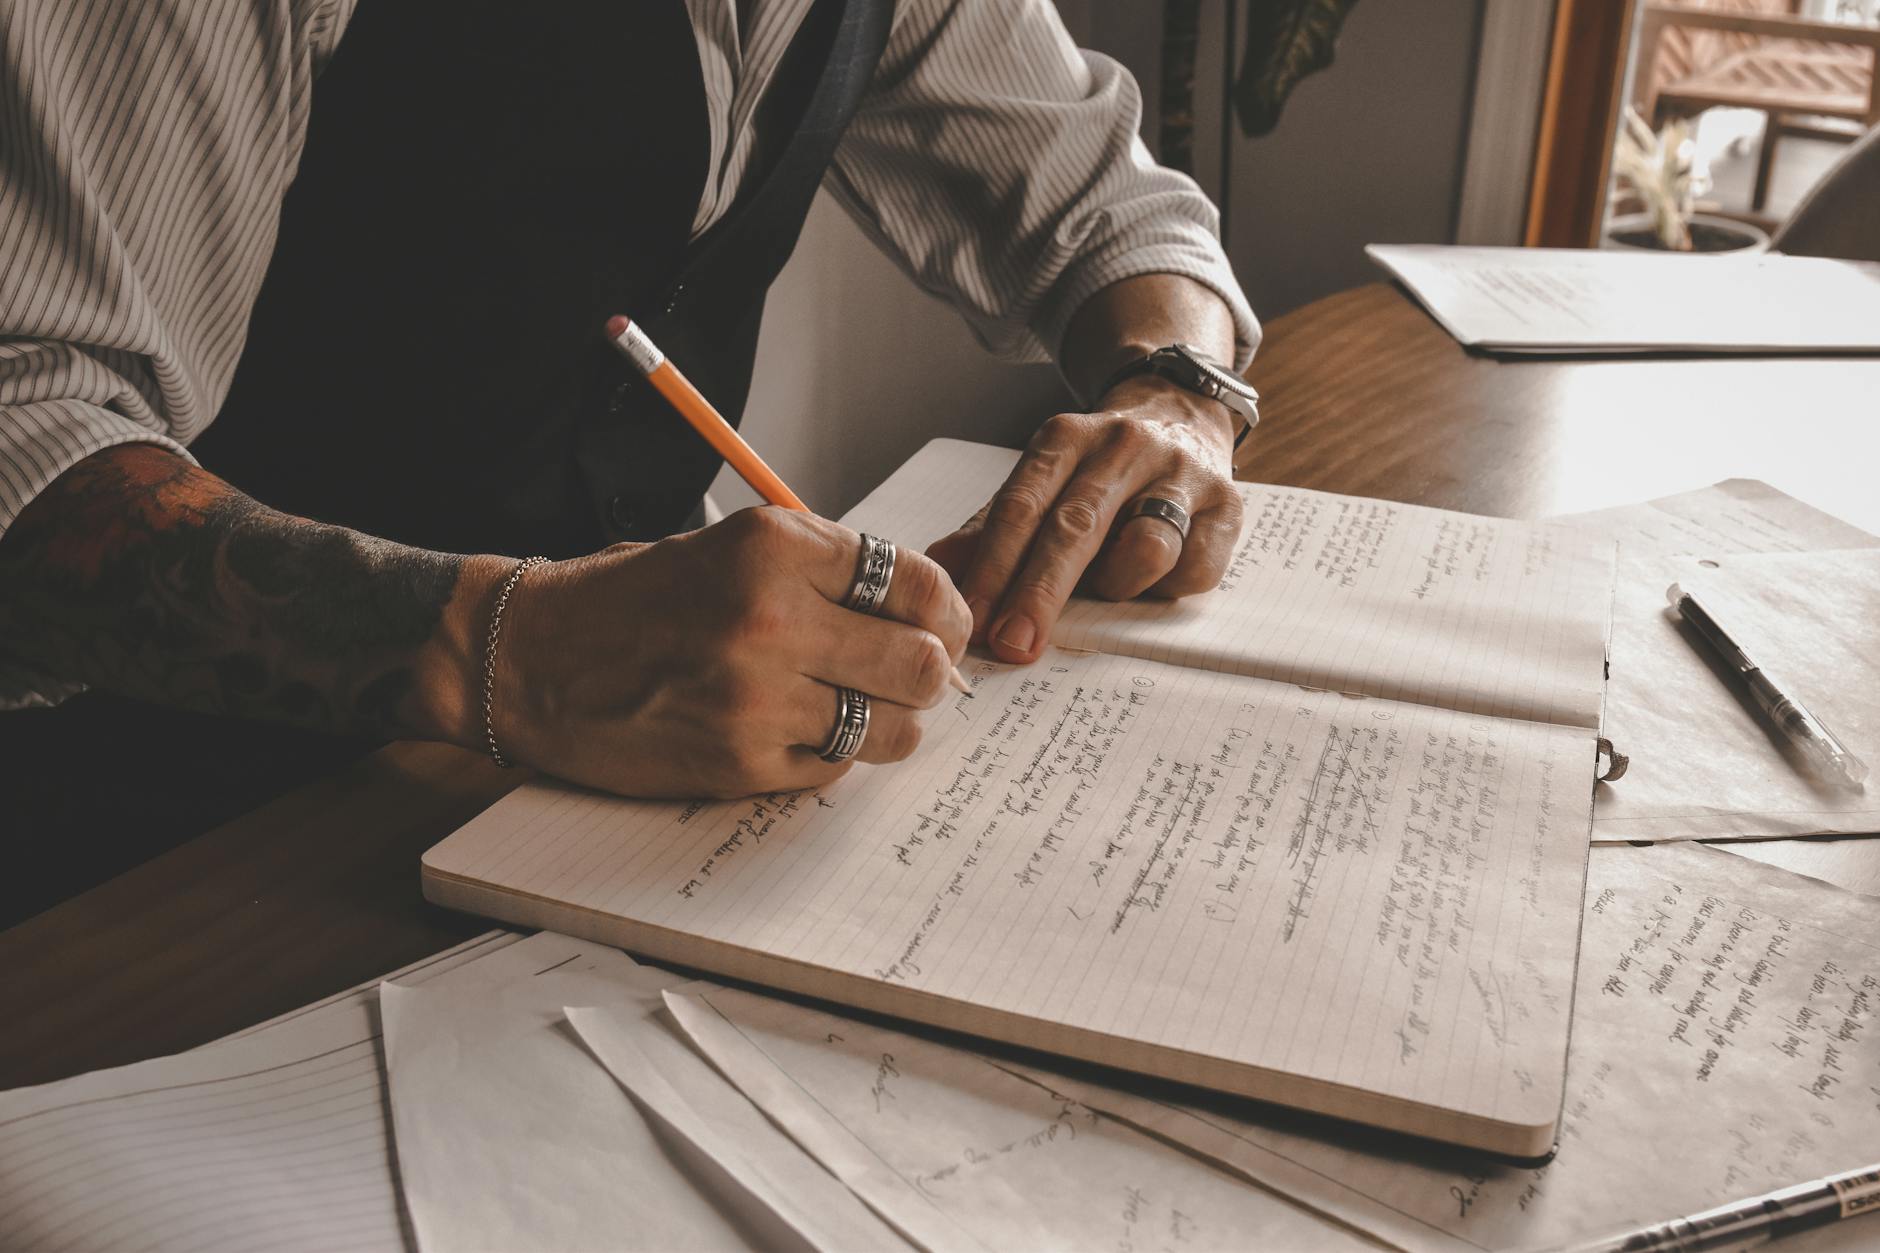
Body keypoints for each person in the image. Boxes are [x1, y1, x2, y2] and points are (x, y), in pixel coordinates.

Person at [0, 0, 1259, 912]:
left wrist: (1179, 390)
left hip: (616, 816)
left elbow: (1104, 203)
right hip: (161, 850)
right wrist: (516, 650)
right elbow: (24, 430)